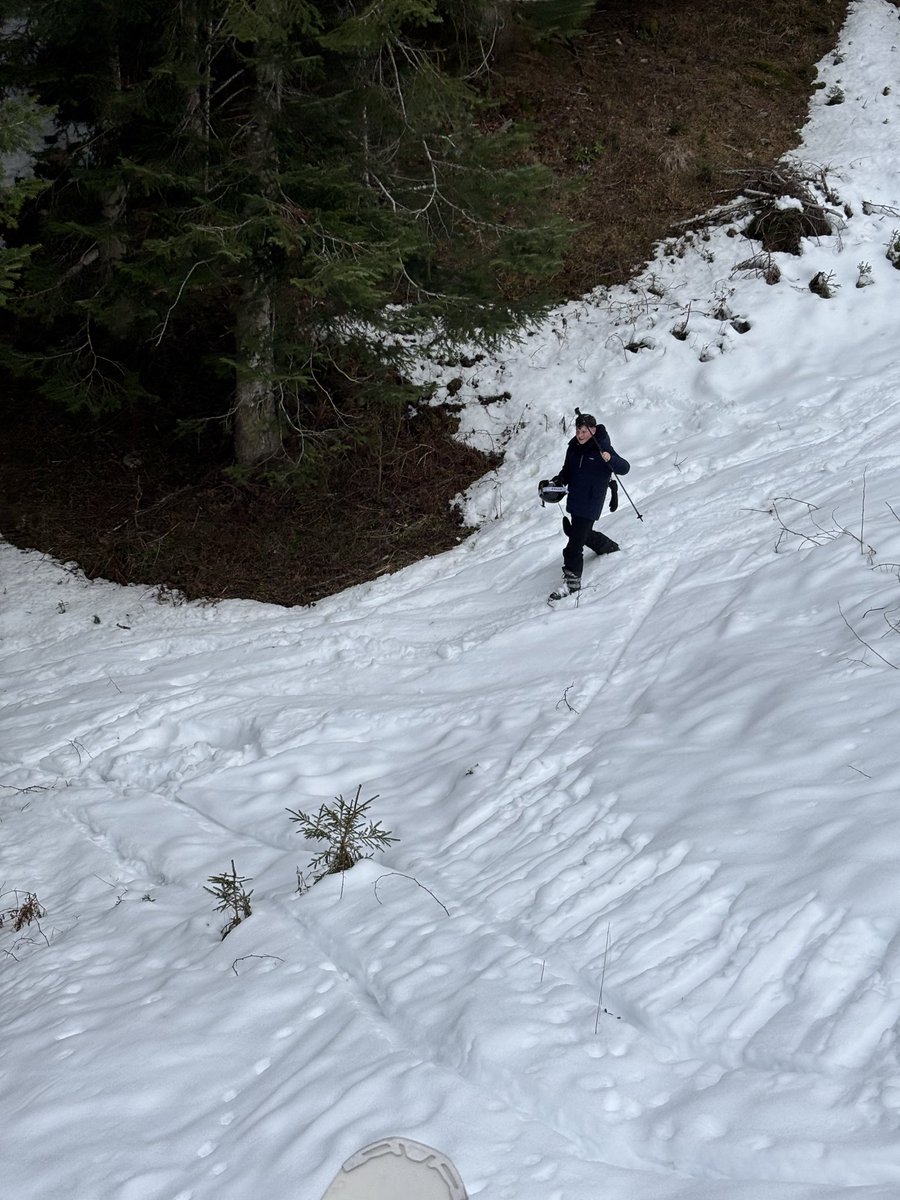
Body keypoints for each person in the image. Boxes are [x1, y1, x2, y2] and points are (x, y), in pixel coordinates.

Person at [550, 413, 630, 597]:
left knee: (573, 545)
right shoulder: (573, 447)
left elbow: (625, 468)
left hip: (592, 501)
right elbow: (567, 470)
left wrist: (610, 459)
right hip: (575, 499)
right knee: (578, 533)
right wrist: (559, 480)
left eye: (584, 431)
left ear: (593, 430)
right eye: (578, 431)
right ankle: (608, 547)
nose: (580, 435)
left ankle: (572, 583)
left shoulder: (602, 447)